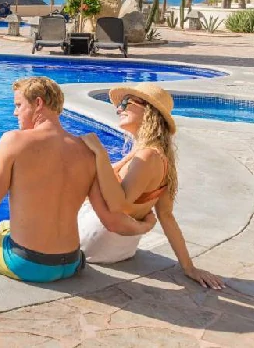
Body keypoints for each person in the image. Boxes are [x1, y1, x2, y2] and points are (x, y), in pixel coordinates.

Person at [0, 76, 152, 282]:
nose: (15, 113)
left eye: (19, 105)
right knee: (5, 225)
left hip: (29, 264)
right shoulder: (87, 151)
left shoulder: (13, 141)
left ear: (38, 103)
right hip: (72, 262)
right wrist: (144, 227)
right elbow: (109, 219)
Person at [79, 83, 224, 289]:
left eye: (125, 103)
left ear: (148, 111)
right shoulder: (159, 157)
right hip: (122, 248)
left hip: (95, 239)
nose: (118, 109)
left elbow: (119, 205)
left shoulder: (146, 156)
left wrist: (100, 156)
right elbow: (166, 215)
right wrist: (188, 266)